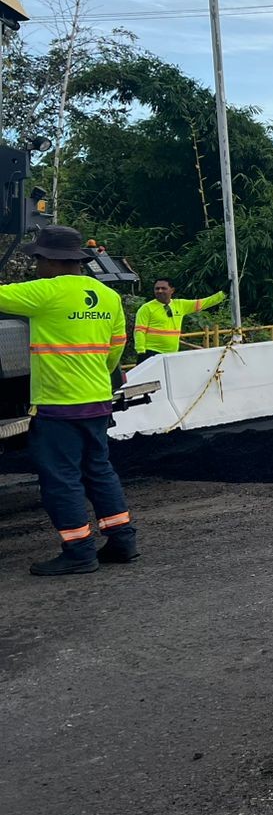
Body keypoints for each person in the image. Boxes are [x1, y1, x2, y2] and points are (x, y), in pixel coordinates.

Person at [0, 226, 136, 576]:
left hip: (58, 404)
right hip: (97, 400)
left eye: (37, 260)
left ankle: (78, 552)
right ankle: (122, 540)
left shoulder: (46, 291)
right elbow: (116, 348)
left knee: (61, 479)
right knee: (98, 470)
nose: (35, 266)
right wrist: (94, 377)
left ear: (50, 260)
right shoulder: (107, 295)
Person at [134, 278, 226, 360]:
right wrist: (141, 351)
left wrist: (223, 293)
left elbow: (204, 303)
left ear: (172, 290)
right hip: (151, 352)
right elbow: (139, 331)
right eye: (157, 288)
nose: (160, 291)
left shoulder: (180, 305)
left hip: (171, 354)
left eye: (163, 288)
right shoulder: (146, 308)